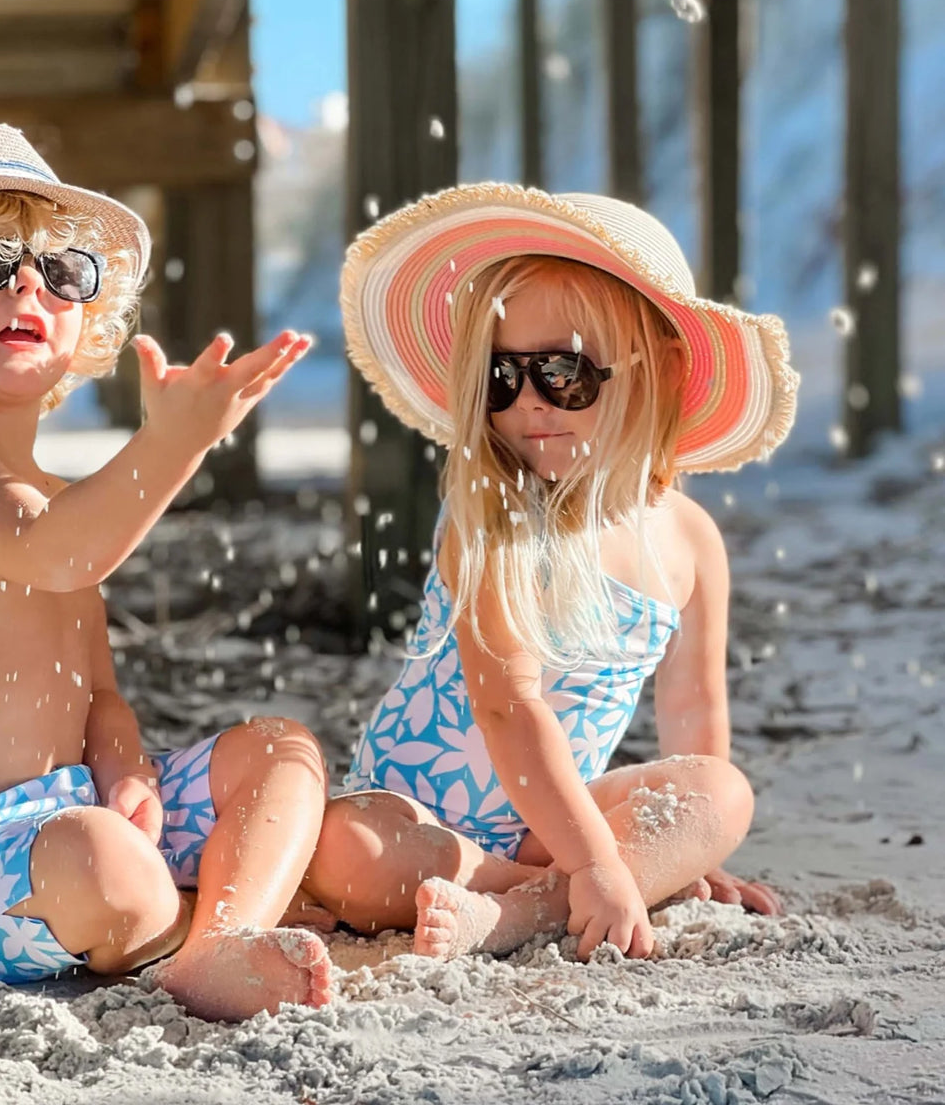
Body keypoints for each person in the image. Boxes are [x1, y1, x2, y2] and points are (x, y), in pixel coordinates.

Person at [0, 122, 330, 1022]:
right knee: (102, 862)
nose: (28, 284)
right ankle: (208, 920)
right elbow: (61, 551)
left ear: (85, 325)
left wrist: (124, 765)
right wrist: (172, 445)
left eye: (61, 273)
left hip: (73, 817)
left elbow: (96, 688)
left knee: (281, 748)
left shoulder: (57, 498)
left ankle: (214, 940)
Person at [302, 185, 798, 963]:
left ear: (660, 371)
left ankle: (516, 913)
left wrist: (695, 849)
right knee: (344, 850)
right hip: (418, 820)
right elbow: (509, 708)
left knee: (720, 792)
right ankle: (553, 895)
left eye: (565, 374)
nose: (530, 402)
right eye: (503, 378)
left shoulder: (692, 541)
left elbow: (694, 706)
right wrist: (603, 864)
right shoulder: (493, 516)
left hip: (551, 829)